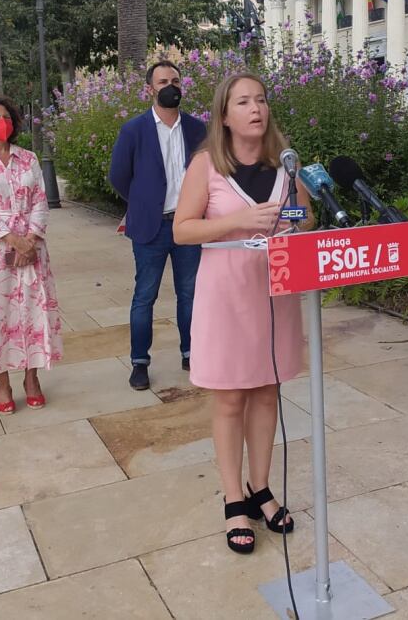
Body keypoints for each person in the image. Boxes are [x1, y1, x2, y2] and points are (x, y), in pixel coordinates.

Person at [173, 72, 313, 555]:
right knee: (230, 397)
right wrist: (236, 220)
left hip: (274, 295)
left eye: (261, 100)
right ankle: (233, 497)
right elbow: (183, 230)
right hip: (226, 293)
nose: (256, 108)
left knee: (267, 392)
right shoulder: (206, 165)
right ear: (225, 116)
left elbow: (306, 217)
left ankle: (261, 488)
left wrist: (289, 222)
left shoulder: (285, 166)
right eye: (243, 102)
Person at [108, 60, 206, 391]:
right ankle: (139, 362)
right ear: (150, 87)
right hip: (151, 227)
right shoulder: (133, 130)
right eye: (163, 80)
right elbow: (119, 176)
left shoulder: (196, 129)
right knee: (144, 296)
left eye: (175, 80)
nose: (170, 86)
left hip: (189, 225)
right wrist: (143, 202)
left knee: (190, 294)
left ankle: (191, 353)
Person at [0, 94, 63, 413]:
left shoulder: (28, 159)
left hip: (32, 246)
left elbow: (40, 202)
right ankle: (1, 380)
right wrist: (14, 241)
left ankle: (31, 378)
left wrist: (30, 240)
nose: (0, 123)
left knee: (31, 313)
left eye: (4, 117)